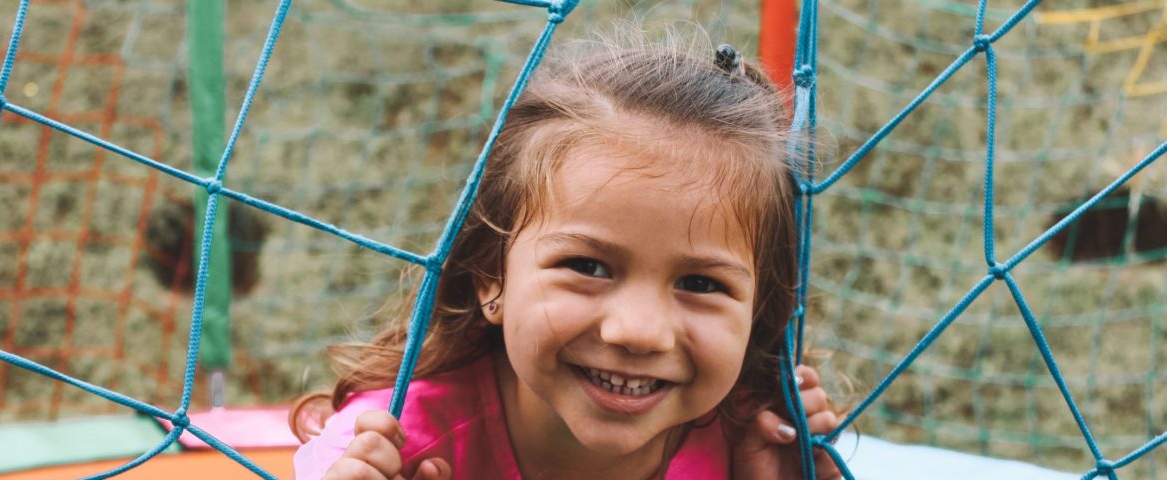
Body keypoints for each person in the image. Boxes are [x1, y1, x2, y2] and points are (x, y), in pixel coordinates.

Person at [290, 29, 842, 480]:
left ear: (758, 310)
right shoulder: (384, 445)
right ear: (491, 278)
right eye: (588, 267)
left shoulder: (755, 448)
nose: (639, 332)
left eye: (699, 283)